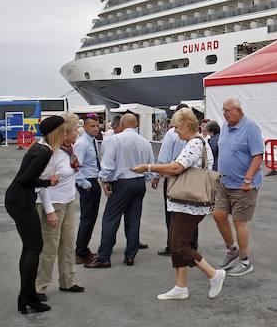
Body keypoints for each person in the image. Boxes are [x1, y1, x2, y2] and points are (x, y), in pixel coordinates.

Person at [133, 108, 226, 300]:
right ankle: (180, 286)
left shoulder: (194, 144)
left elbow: (176, 167)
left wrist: (148, 167)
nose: (174, 131)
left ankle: (213, 274)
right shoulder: (197, 142)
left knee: (178, 244)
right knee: (177, 243)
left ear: (186, 125)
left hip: (189, 203)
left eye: (176, 127)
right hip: (184, 202)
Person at [5, 115, 61, 314]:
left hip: (17, 199)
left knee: (30, 247)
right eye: (62, 130)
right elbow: (26, 179)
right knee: (34, 246)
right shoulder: (44, 152)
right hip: (21, 201)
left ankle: (25, 296)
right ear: (56, 132)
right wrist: (48, 183)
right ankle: (29, 298)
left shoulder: (40, 147)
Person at [86, 113, 155, 268]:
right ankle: (130, 255)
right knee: (133, 219)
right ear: (136, 125)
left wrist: (104, 180)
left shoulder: (115, 140)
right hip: (139, 182)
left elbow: (108, 164)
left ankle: (104, 257)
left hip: (122, 183)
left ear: (122, 124)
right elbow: (151, 164)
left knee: (110, 218)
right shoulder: (145, 142)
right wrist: (149, 178)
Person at [36, 113, 85, 299]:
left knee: (67, 245)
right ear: (64, 133)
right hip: (53, 203)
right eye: (74, 130)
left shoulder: (68, 149)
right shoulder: (51, 153)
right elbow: (41, 184)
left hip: (68, 201)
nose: (77, 133)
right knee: (49, 248)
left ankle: (67, 281)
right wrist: (49, 211)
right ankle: (39, 287)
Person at [214, 97, 264, 277]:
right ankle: (231, 249)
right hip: (224, 182)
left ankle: (245, 261)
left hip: (243, 186)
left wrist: (248, 179)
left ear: (239, 111)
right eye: (223, 110)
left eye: (228, 110)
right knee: (218, 215)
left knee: (239, 222)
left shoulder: (250, 127)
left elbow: (258, 156)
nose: (225, 113)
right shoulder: (225, 127)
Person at [153, 104, 194, 257]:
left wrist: (156, 176)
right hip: (191, 177)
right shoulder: (197, 135)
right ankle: (191, 243)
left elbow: (164, 157)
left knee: (171, 212)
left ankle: (172, 244)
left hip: (173, 176)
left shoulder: (171, 134)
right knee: (190, 209)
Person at [73, 114, 101, 265]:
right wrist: (86, 185)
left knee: (90, 218)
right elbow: (76, 167)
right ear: (84, 127)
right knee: (87, 218)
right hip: (88, 183)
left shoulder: (93, 141)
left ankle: (83, 249)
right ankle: (81, 252)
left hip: (93, 181)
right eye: (92, 126)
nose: (96, 128)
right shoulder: (82, 143)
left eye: (97, 126)